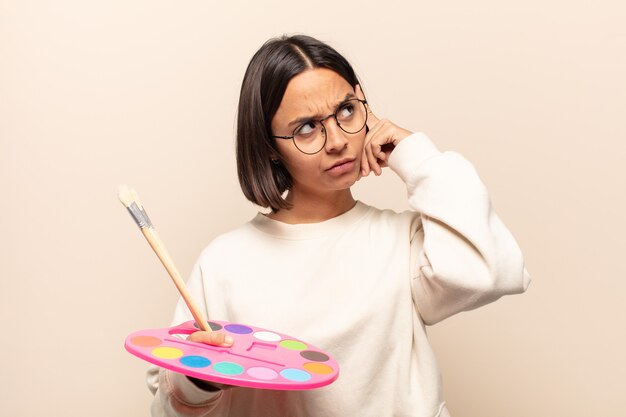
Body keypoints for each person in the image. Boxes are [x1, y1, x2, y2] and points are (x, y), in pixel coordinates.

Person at [147, 34, 531, 417]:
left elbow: (487, 273)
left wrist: (415, 156)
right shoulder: (225, 262)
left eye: (347, 110)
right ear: (268, 146)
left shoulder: (403, 242)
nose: (336, 141)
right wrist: (200, 381)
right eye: (306, 128)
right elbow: (168, 408)